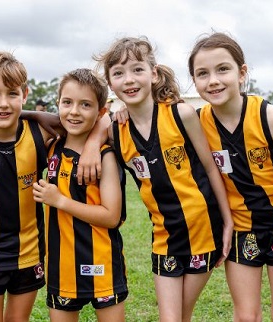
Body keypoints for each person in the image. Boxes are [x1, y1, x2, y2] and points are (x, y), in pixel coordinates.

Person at [0, 51, 110, 322]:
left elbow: (103, 117)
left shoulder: (41, 132)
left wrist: (92, 144)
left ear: (25, 94)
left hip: (30, 254)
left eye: (12, 94)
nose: (4, 103)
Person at [94, 36, 233, 322]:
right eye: (118, 73)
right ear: (110, 83)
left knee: (180, 316)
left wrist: (228, 221)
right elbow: (93, 126)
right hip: (164, 236)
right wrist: (88, 149)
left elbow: (210, 168)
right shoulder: (116, 131)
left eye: (137, 70)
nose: (129, 80)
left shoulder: (180, 114)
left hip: (203, 231)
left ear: (153, 74)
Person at [188, 32, 273, 321]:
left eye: (223, 69)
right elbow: (149, 116)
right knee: (246, 316)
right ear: (194, 81)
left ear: (242, 73)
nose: (213, 80)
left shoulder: (271, 117)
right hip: (242, 230)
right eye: (202, 73)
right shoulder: (196, 122)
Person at [32, 68, 128, 322]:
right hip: (60, 265)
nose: (74, 111)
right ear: (57, 104)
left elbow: (111, 217)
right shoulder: (50, 146)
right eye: (67, 102)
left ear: (100, 112)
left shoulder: (105, 156)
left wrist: (60, 201)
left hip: (102, 262)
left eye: (85, 105)